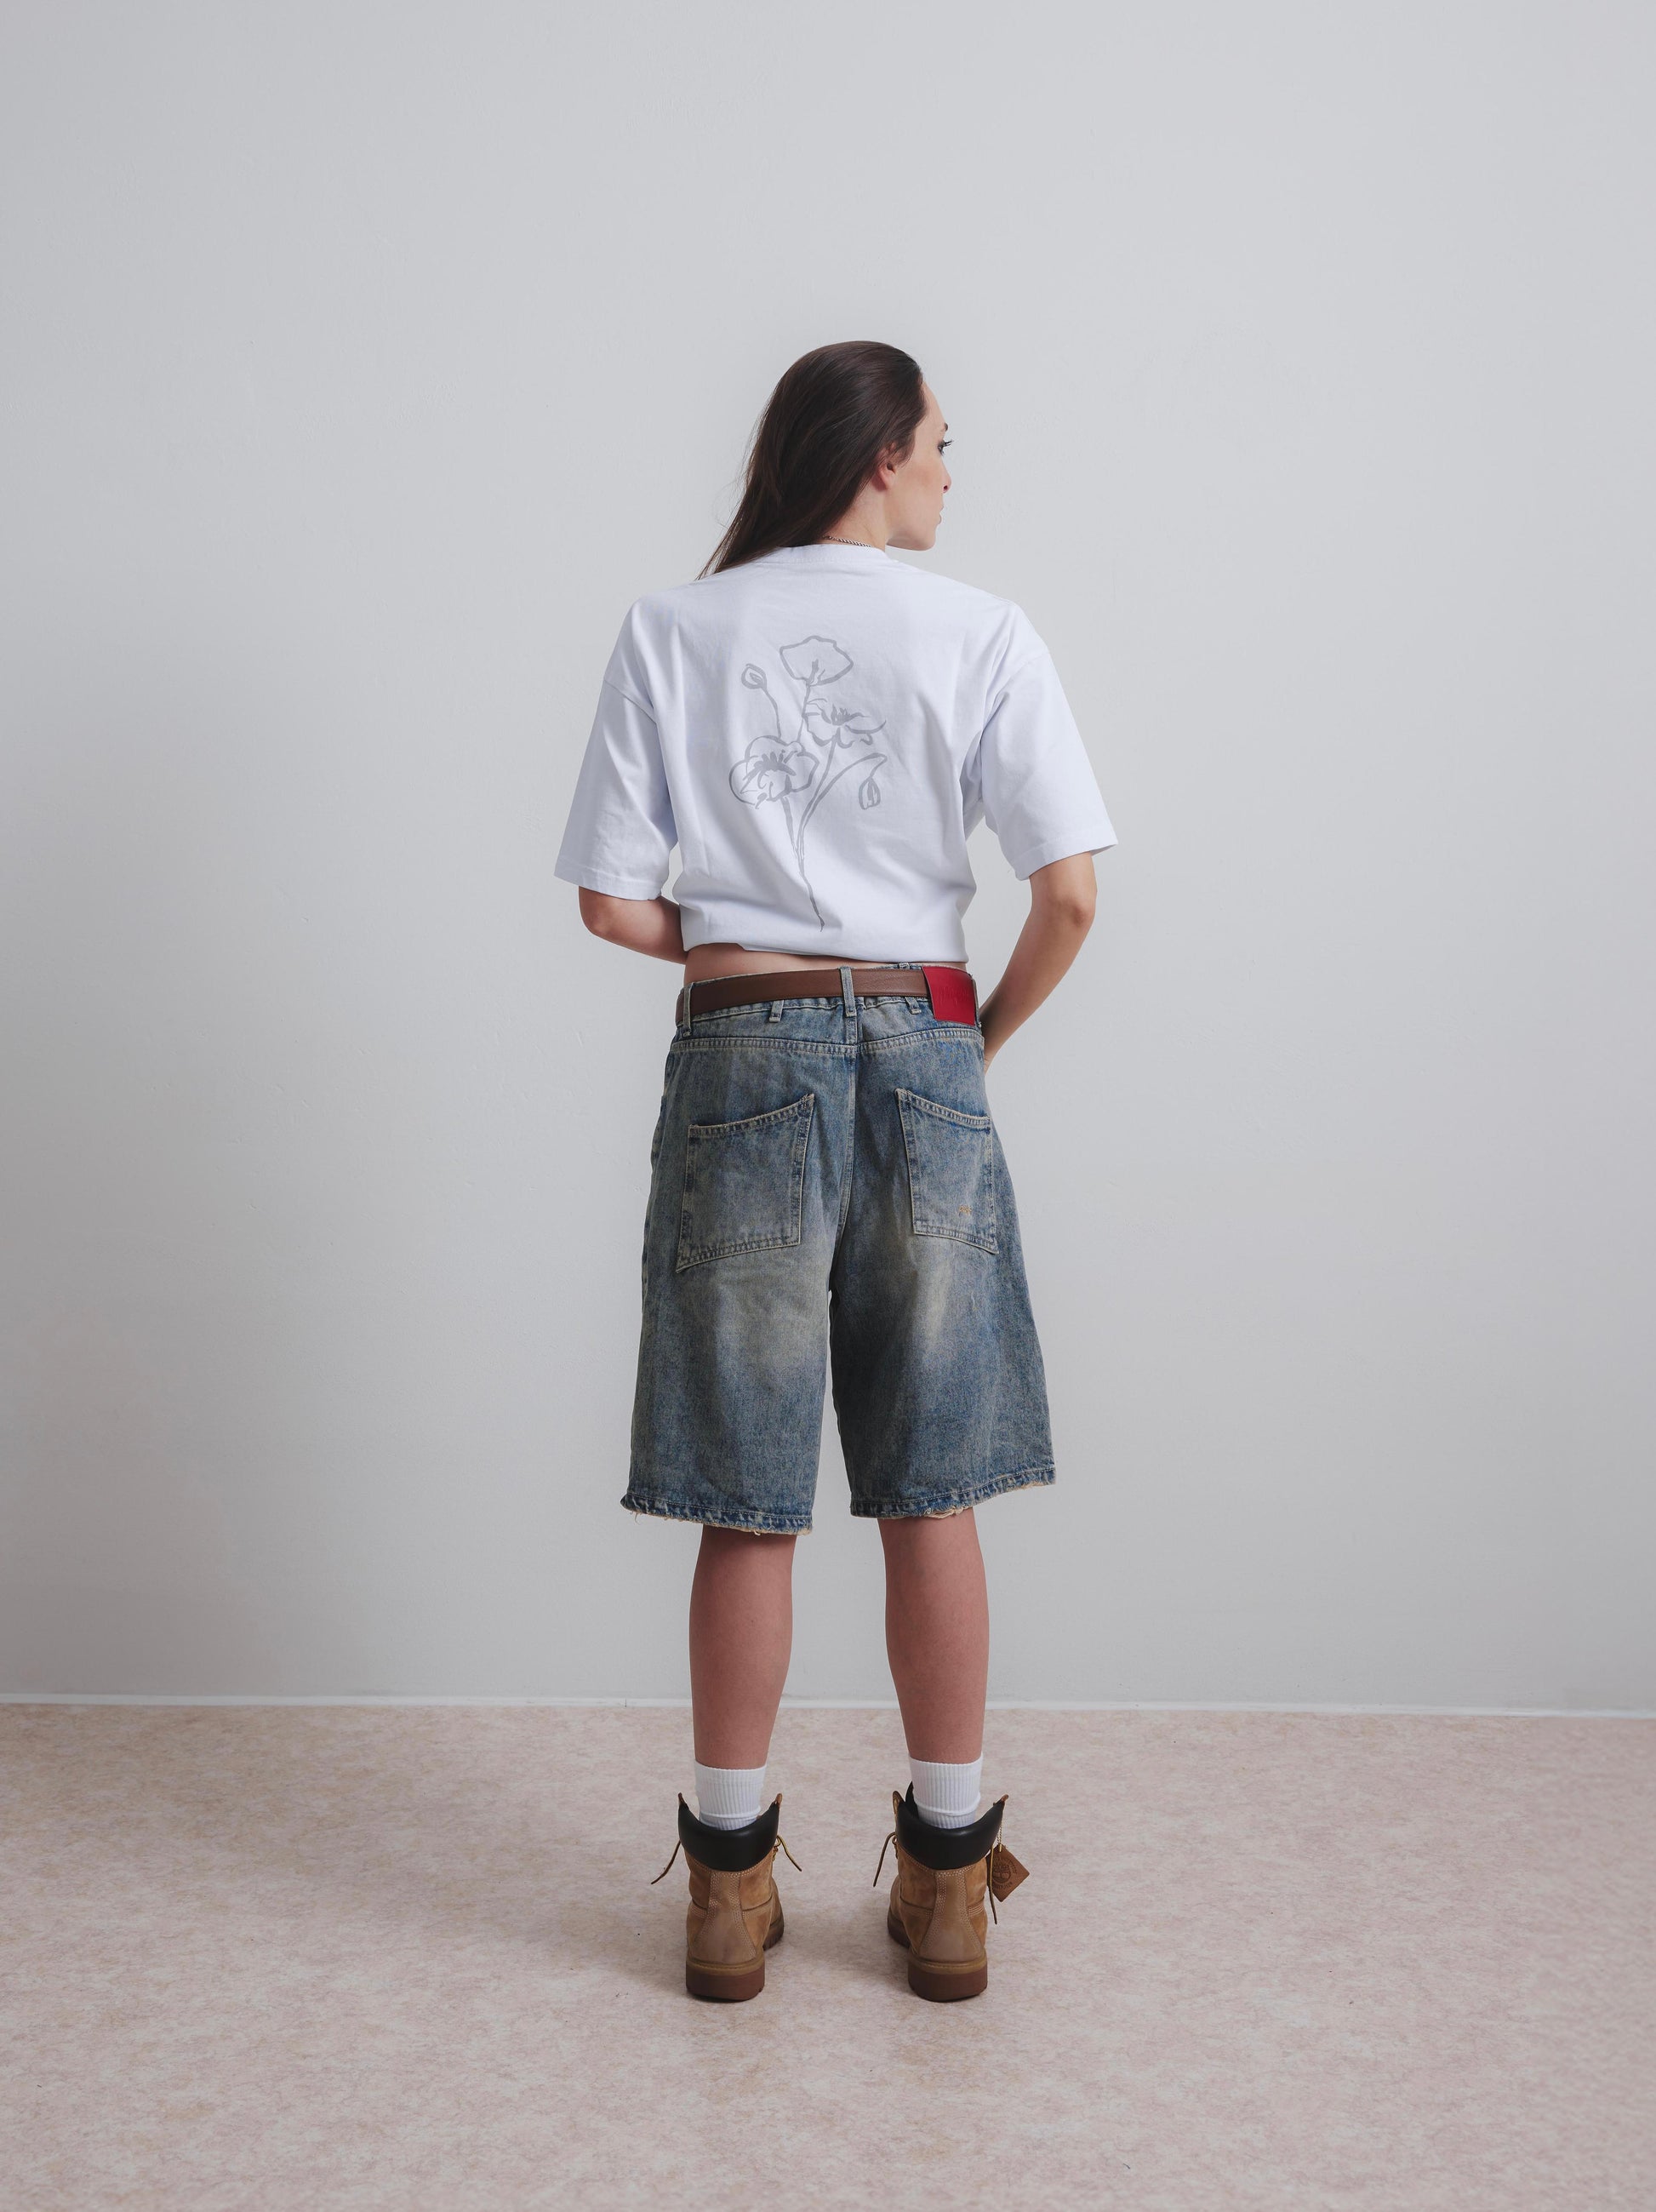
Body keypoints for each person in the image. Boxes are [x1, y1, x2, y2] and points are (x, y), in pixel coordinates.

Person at [554, 340, 1116, 2002]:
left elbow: (608, 903)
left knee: (748, 1489)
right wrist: (967, 1043)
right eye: (939, 443)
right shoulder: (981, 629)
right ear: (878, 455)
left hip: (740, 1047)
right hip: (924, 1043)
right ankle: (948, 1886)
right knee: (929, 1482)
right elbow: (1070, 893)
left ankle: (727, 1893)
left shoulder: (674, 626)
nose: (949, 471)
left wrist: (748, 953)